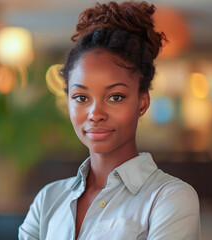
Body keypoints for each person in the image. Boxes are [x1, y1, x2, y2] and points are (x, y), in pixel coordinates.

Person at [19, 1, 201, 239]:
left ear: (142, 103)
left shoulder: (169, 199)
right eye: (81, 97)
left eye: (115, 97)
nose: (95, 113)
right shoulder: (48, 200)